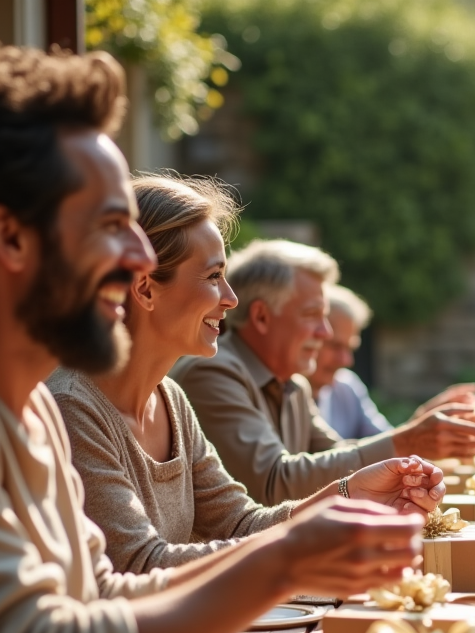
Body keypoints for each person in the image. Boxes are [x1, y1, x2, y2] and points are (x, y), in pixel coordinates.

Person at [0, 44, 421, 633]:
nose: (136, 259)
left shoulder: (26, 400)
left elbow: (102, 594)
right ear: (8, 238)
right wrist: (285, 560)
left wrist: (305, 536)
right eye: (110, 224)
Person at [48, 174, 445, 573]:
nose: (231, 299)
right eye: (213, 276)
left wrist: (349, 494)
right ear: (146, 289)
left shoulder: (170, 399)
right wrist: (308, 540)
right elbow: (141, 564)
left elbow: (242, 523)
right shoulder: (73, 408)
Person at [171, 239, 475, 506]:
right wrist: (408, 440)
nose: (325, 332)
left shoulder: (292, 385)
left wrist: (413, 439)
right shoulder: (212, 372)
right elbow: (272, 483)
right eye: (313, 315)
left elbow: (336, 457)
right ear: (261, 317)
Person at [308, 282, 475, 440]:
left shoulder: (347, 386)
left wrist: (421, 421)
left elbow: (384, 442)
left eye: (350, 349)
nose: (346, 360)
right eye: (334, 346)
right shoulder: (287, 397)